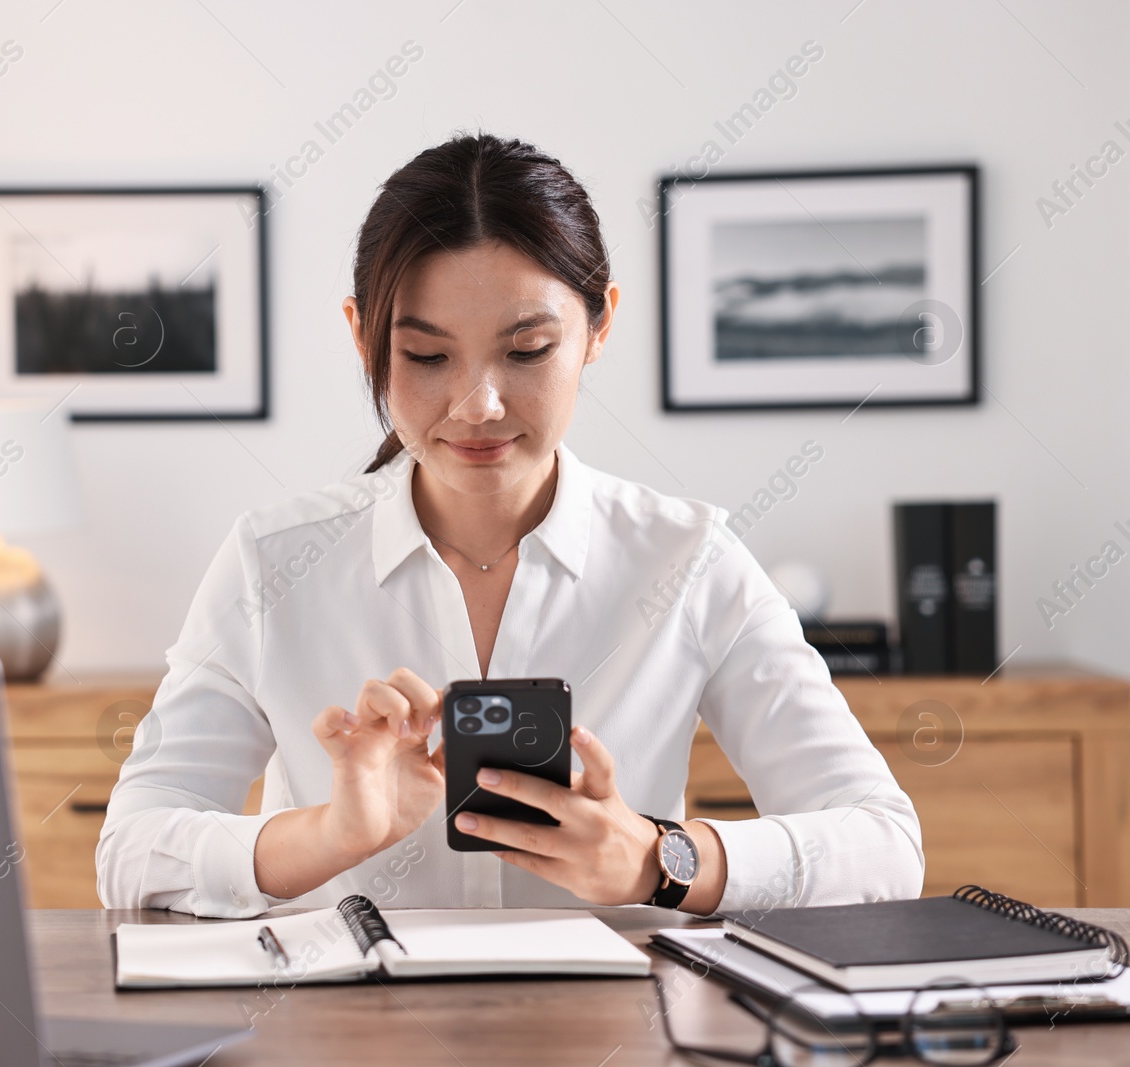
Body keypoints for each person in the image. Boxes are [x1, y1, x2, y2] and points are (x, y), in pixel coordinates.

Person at [96, 132, 923, 918]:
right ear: (364, 339)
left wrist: (656, 859)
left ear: (599, 327)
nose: (478, 404)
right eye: (425, 356)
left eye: (527, 349)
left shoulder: (690, 559)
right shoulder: (270, 563)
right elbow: (130, 852)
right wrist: (329, 835)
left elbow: (884, 843)